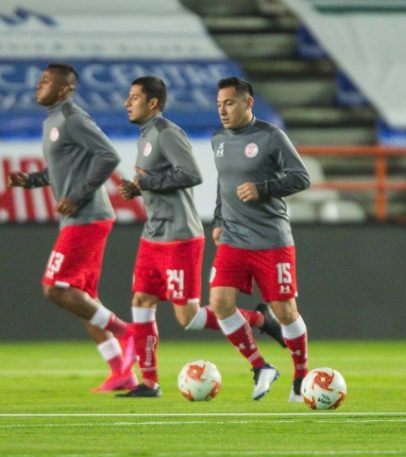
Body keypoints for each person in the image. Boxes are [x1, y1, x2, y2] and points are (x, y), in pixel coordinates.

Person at [116, 76, 285, 398]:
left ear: (153, 103)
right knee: (141, 300)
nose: (127, 103)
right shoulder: (145, 136)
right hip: (153, 233)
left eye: (134, 97)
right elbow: (156, 181)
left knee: (188, 317)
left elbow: (192, 174)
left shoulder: (167, 133)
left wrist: (147, 184)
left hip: (179, 236)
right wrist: (140, 187)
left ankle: (259, 319)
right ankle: (150, 383)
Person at [7, 63, 137, 393]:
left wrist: (78, 196)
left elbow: (107, 156)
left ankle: (128, 332)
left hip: (88, 216)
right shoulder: (52, 120)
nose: (39, 86)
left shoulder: (72, 117)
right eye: (39, 81)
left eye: (47, 81)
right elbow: (63, 168)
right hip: (80, 216)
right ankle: (121, 372)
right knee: (84, 298)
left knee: (55, 288)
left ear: (65, 90)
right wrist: (33, 180)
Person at [210, 77, 311, 402]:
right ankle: (260, 366)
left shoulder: (270, 137)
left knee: (285, 312)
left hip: (271, 240)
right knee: (220, 304)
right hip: (233, 239)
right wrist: (218, 219)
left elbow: (301, 177)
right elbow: (223, 183)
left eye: (229, 103)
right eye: (219, 105)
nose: (223, 111)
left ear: (247, 103)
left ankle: (300, 375)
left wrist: (263, 188)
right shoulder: (218, 140)